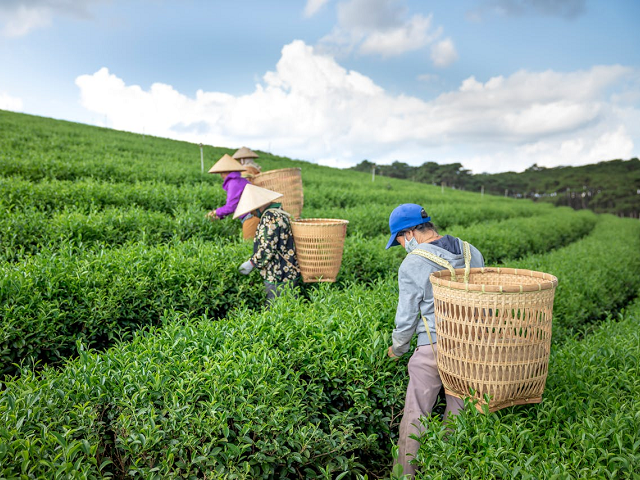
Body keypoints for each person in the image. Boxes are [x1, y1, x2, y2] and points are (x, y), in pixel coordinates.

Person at [385, 203, 484, 478]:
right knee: (459, 414)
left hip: (434, 347)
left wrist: (398, 348)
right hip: (472, 345)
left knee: (416, 413)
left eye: (401, 239)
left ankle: (405, 473)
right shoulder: (472, 251)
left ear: (410, 233)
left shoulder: (413, 263)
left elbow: (405, 320)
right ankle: (444, 471)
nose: (403, 245)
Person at [233, 184, 301, 305]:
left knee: (274, 311)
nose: (252, 213)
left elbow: (268, 248)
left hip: (277, 274)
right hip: (289, 271)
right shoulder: (280, 212)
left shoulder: (269, 217)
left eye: (252, 209)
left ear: (259, 206)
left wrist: (252, 263)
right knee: (290, 308)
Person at [206, 154, 254, 240]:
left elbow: (231, 207)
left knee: (249, 244)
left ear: (228, 171)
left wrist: (215, 213)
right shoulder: (239, 180)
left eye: (222, 172)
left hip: (251, 215)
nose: (221, 176)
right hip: (253, 214)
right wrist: (220, 216)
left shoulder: (234, 183)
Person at [232, 147, 262, 240]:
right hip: (257, 209)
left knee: (249, 242)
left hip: (249, 212)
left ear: (242, 160)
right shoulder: (257, 171)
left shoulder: (246, 171)